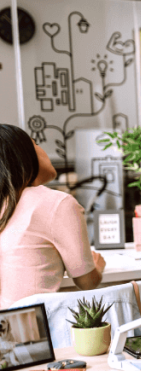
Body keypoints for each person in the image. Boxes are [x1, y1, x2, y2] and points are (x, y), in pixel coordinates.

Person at [0, 123, 105, 308]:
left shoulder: (5, 203)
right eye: (36, 143)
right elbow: (87, 282)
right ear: (23, 155)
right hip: (33, 329)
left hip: (8, 328)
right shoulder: (56, 203)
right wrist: (97, 266)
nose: (44, 151)